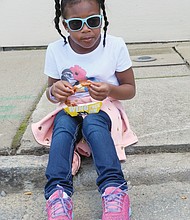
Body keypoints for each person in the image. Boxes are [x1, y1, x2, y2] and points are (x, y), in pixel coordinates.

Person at [32, 0, 138, 219]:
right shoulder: (55, 50)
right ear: (65, 25)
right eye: (76, 24)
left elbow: (129, 90)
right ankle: (57, 194)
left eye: (92, 21)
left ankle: (114, 189)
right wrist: (55, 92)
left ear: (102, 18)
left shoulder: (115, 45)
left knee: (93, 123)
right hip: (70, 108)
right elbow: (51, 92)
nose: (86, 29)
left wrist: (110, 89)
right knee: (62, 127)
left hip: (103, 108)